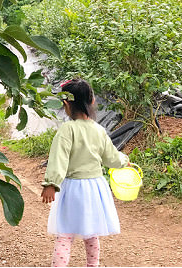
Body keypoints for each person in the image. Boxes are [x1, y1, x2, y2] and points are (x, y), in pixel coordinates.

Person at [42, 79, 130, 267]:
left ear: (66, 104)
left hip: (73, 188)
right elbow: (111, 157)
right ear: (91, 101)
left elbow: (59, 158)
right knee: (91, 234)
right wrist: (125, 162)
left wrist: (51, 183)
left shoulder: (67, 129)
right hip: (95, 188)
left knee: (65, 235)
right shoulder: (99, 130)